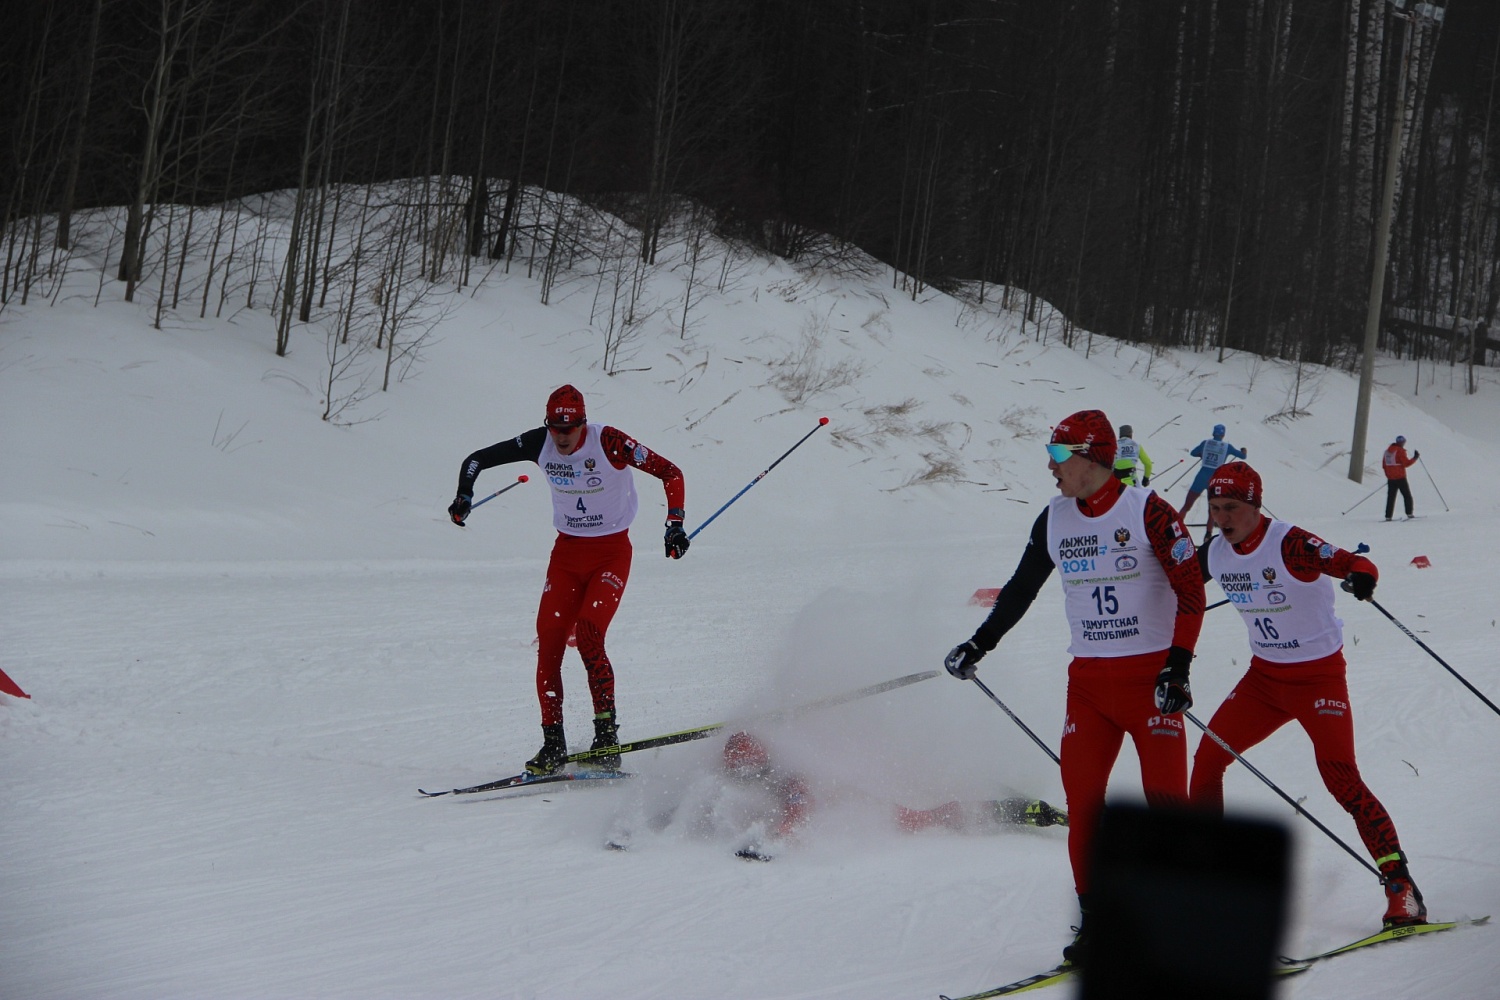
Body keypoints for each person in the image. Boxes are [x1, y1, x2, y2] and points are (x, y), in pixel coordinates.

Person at [944, 409, 1206, 968]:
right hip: (1088, 686)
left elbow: (1190, 593)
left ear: (1093, 457)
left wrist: (1177, 669)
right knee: (1083, 805)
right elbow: (1020, 589)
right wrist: (979, 644)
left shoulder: (1150, 512)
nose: (1051, 465)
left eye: (1060, 455)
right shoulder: (1054, 518)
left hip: (1149, 683)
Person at [1190, 461, 1427, 929]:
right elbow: (1172, 581)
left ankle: (1401, 887)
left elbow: (1354, 562)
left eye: (1232, 508)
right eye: (1215, 509)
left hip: (1318, 680)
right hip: (1263, 681)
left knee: (1340, 777)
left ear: (1255, 505)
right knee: (1208, 758)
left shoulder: (1290, 543)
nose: (1223, 518)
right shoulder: (1215, 553)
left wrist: (1362, 576)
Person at [447, 384, 689, 775]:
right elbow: (476, 459)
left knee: (590, 632)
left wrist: (674, 523)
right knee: (550, 640)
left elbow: (670, 471)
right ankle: (552, 743)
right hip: (566, 555)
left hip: (611, 553)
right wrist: (463, 496)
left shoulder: (609, 441)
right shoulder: (538, 442)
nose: (562, 437)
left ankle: (606, 737)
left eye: (570, 429)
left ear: (582, 423)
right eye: (556, 429)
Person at [610, 731, 1067, 860]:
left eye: (747, 767)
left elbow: (798, 807)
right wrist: (649, 825)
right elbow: (697, 801)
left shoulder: (787, 775)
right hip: (836, 794)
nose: (740, 774)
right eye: (736, 768)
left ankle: (1015, 808)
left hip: (856, 802)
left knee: (921, 816)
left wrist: (776, 840)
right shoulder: (733, 775)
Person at [1180, 423, 1247, 522]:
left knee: (1187, 506)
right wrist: (1244, 451)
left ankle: (1176, 525)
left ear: (1213, 433)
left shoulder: (1205, 443)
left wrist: (1202, 454)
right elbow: (1242, 456)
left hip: (1201, 476)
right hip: (1215, 479)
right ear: (1223, 435)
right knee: (1212, 510)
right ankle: (1208, 534)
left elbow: (1193, 453)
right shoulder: (1227, 447)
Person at [1382, 435, 1419, 520]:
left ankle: (1388, 516)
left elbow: (1384, 465)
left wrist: (1389, 475)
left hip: (1391, 478)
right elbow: (1406, 464)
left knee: (1391, 497)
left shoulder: (1387, 452)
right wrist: (1415, 458)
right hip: (1400, 477)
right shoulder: (1400, 451)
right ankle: (1409, 513)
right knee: (1407, 495)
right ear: (1402, 442)